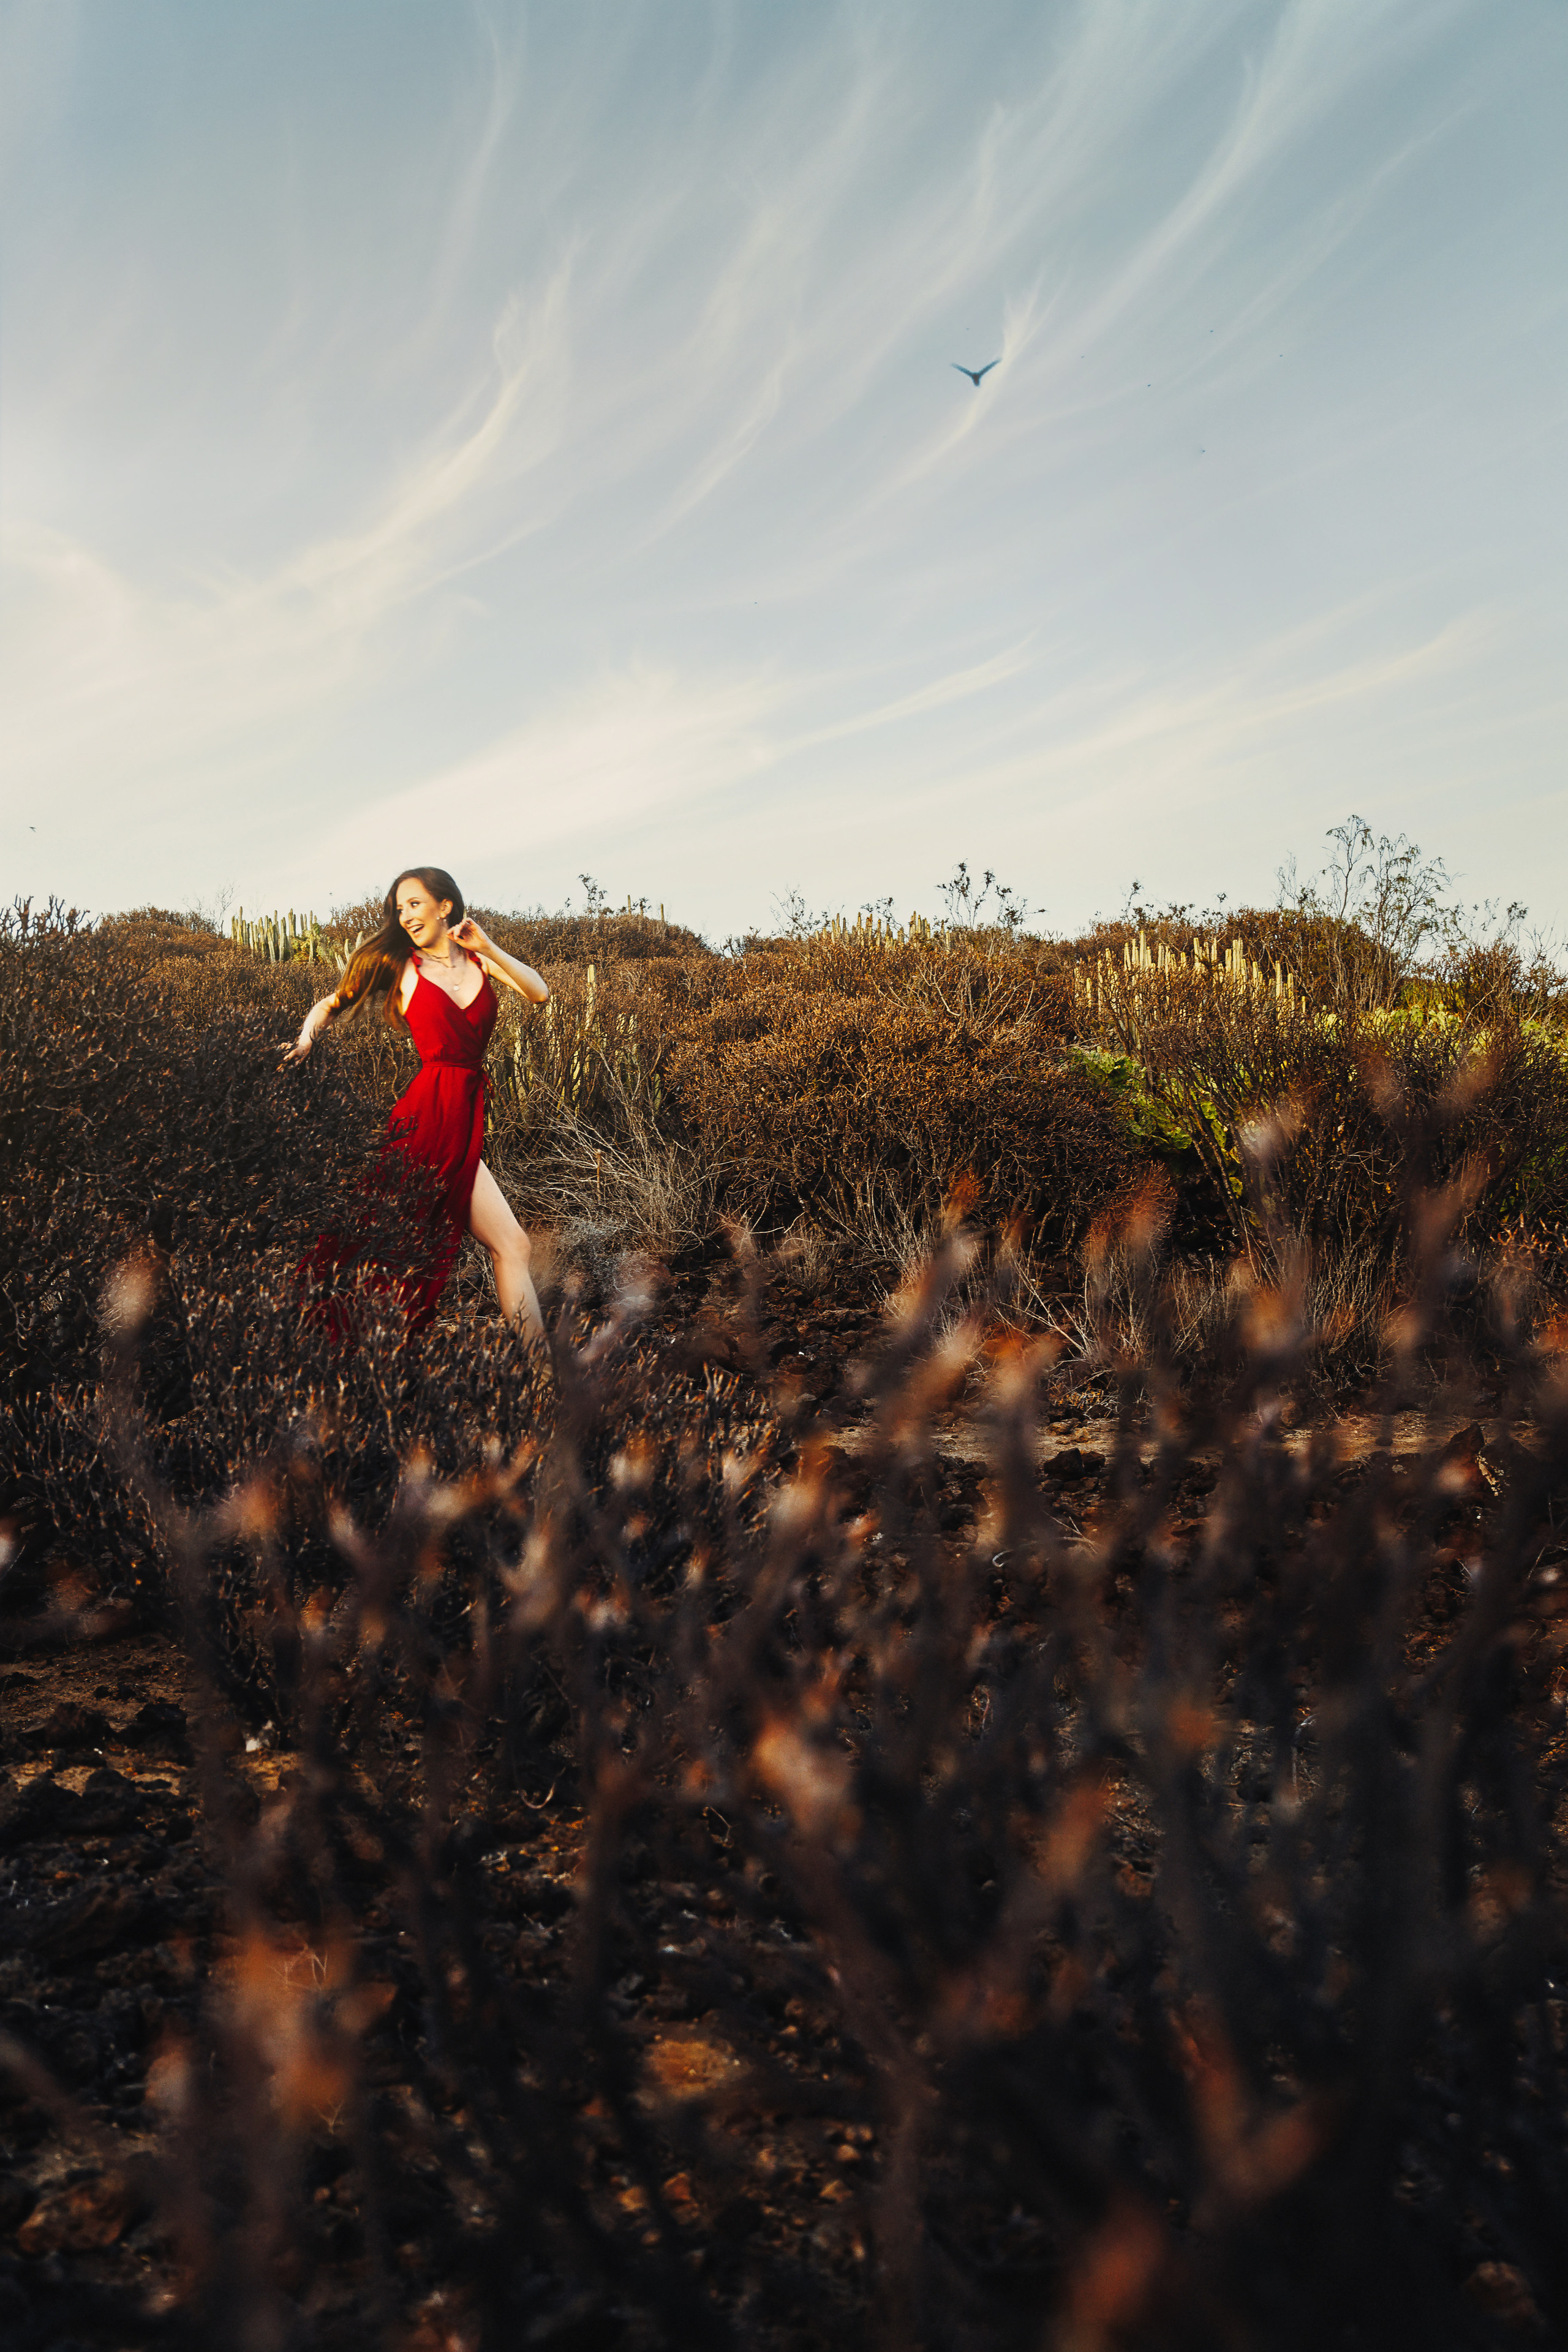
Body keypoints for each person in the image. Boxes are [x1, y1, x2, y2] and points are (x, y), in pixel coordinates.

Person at [282, 866, 549, 1342]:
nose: (405, 915)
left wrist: (488, 946)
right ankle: (322, 1339)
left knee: (513, 1246)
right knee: (388, 1246)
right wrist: (306, 1040)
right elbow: (330, 1004)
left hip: (464, 1115)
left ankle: (546, 1384)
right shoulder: (401, 967)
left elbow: (539, 992)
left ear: (445, 906)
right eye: (399, 907)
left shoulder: (479, 961)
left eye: (414, 903)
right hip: (425, 1117)